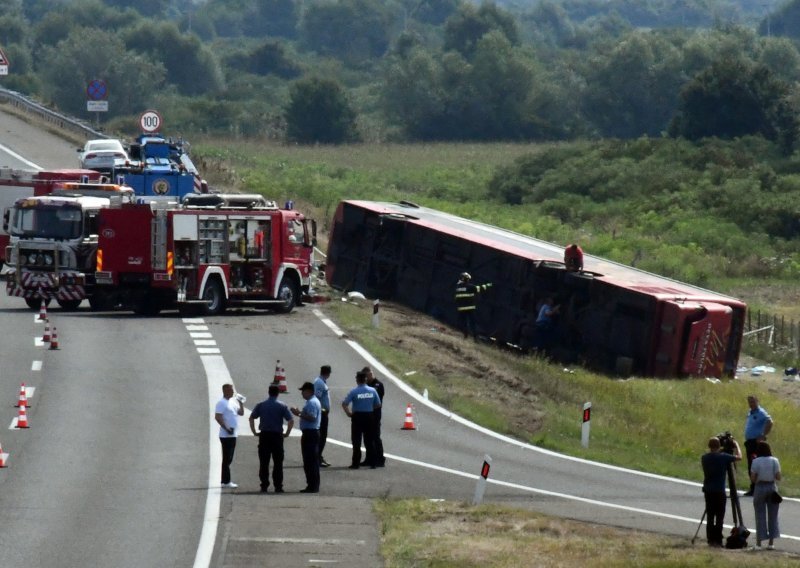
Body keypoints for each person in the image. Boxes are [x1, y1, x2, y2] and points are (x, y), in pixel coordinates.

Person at [249, 384, 294, 493]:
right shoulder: (282, 406)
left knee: (264, 462)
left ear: (268, 392)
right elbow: (290, 420)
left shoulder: (261, 405)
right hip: (277, 436)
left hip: (264, 435)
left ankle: (264, 485)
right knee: (278, 462)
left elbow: (251, 418)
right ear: (278, 393)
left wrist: (254, 431)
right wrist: (287, 433)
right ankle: (278, 486)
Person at [700, 436, 742, 547]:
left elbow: (714, 456)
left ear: (709, 446)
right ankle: (718, 540)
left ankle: (710, 539)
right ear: (719, 446)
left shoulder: (704, 458)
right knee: (719, 516)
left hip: (708, 490)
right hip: (719, 491)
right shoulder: (724, 457)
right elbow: (739, 457)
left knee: (710, 516)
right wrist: (736, 445)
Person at [341, 370, 381, 469]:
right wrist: (369, 408)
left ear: (357, 380)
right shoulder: (372, 390)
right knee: (369, 440)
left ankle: (355, 463)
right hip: (369, 416)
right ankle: (373, 463)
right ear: (366, 379)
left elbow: (344, 403)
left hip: (357, 417)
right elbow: (378, 404)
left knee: (356, 441)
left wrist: (349, 413)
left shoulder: (354, 391)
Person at [750, 441, 782, 550]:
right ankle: (771, 543)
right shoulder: (774, 461)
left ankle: (759, 543)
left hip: (760, 487)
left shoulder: (756, 461)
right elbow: (778, 477)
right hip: (772, 487)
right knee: (773, 515)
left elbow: (753, 479)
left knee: (760, 514)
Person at [290, 382, 321, 493]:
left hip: (311, 433)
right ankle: (312, 485)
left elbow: (312, 417)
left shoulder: (312, 402)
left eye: (303, 391)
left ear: (309, 391)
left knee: (310, 460)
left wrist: (298, 413)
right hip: (310, 433)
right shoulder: (311, 401)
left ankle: (313, 485)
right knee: (310, 460)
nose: (302, 393)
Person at [214, 383, 244, 488]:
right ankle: (226, 481)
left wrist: (241, 402)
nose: (232, 391)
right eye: (231, 390)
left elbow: (241, 413)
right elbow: (218, 417)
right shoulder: (221, 403)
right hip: (226, 435)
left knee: (229, 458)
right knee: (227, 458)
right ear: (225, 390)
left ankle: (225, 480)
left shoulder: (232, 402)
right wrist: (226, 428)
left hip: (233, 434)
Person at [743, 395, 773, 495]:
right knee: (751, 465)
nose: (751, 404)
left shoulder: (760, 413)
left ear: (757, 401)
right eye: (749, 402)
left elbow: (769, 421)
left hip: (755, 443)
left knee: (755, 464)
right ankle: (753, 487)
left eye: (753, 402)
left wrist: (763, 435)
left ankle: (756, 488)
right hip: (750, 442)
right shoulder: (750, 412)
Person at [454, 272, 492, 339]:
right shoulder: (470, 287)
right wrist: (489, 285)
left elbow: (456, 298)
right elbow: (480, 288)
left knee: (464, 323)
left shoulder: (458, 287)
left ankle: (465, 336)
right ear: (467, 279)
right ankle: (475, 337)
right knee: (472, 323)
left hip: (461, 309)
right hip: (470, 308)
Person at [362, 366, 385, 467]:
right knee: (367, 438)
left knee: (375, 437)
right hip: (366, 415)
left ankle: (380, 459)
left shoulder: (378, 385)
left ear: (370, 374)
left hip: (375, 415)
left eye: (366, 376)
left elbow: (376, 400)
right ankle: (369, 458)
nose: (365, 378)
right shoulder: (365, 385)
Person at [314, 365, 332, 467]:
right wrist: (323, 410)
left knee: (322, 436)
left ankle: (318, 456)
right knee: (321, 436)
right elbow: (317, 398)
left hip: (323, 413)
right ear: (328, 373)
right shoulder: (320, 383)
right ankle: (317, 457)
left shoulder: (321, 382)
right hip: (322, 413)